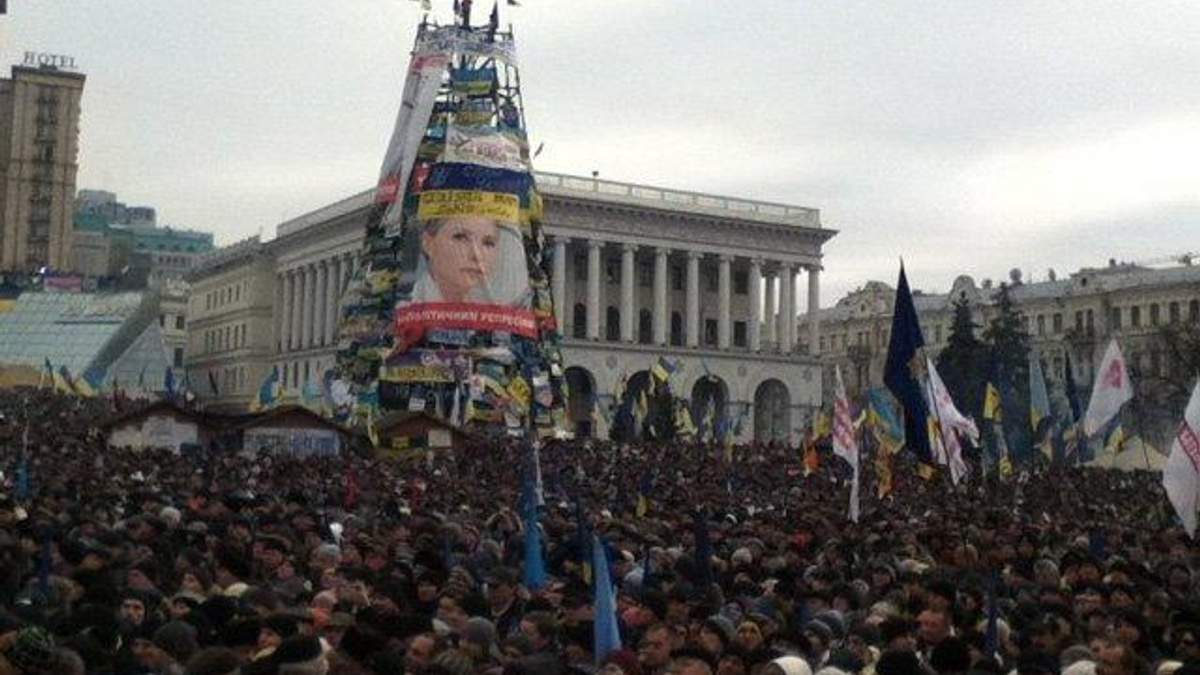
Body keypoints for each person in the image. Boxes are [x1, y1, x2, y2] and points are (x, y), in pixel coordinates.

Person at [410, 216, 530, 306]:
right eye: (461, 237)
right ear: (428, 243)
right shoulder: (406, 306)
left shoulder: (501, 310)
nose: (477, 255)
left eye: (488, 243)